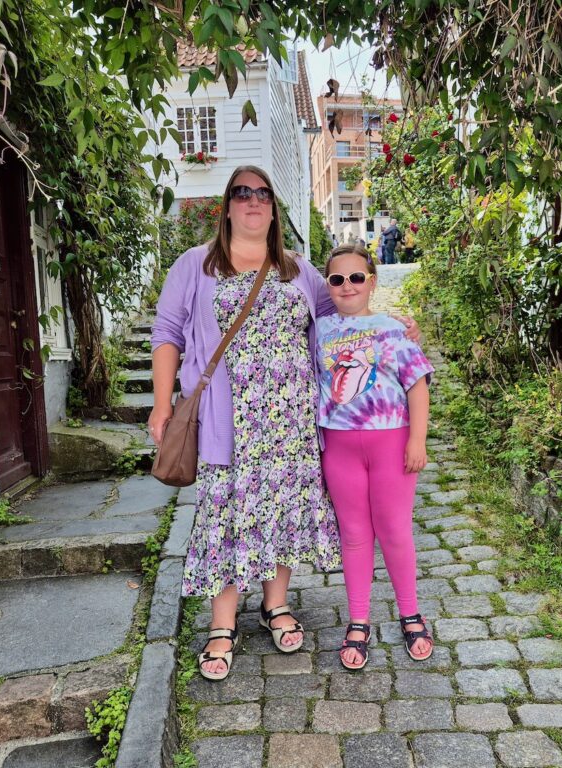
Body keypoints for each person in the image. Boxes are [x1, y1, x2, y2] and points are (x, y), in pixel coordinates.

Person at [150, 167, 421, 681]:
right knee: (224, 517)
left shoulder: (300, 271)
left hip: (291, 424)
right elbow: (167, 333)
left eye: (262, 194)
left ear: (274, 208)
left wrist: (399, 329)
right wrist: (163, 404)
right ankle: (222, 624)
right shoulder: (194, 266)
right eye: (242, 193)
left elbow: (344, 320)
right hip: (226, 421)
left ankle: (275, 605)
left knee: (282, 512)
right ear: (227, 206)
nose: (252, 201)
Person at [316, 244, 435, 670]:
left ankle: (410, 613)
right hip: (340, 446)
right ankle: (359, 620)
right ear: (327, 285)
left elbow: (417, 385)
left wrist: (416, 440)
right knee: (353, 533)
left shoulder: (392, 330)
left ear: (372, 282)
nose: (347, 286)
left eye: (356, 277)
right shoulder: (320, 330)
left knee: (395, 530)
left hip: (390, 442)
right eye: (337, 279)